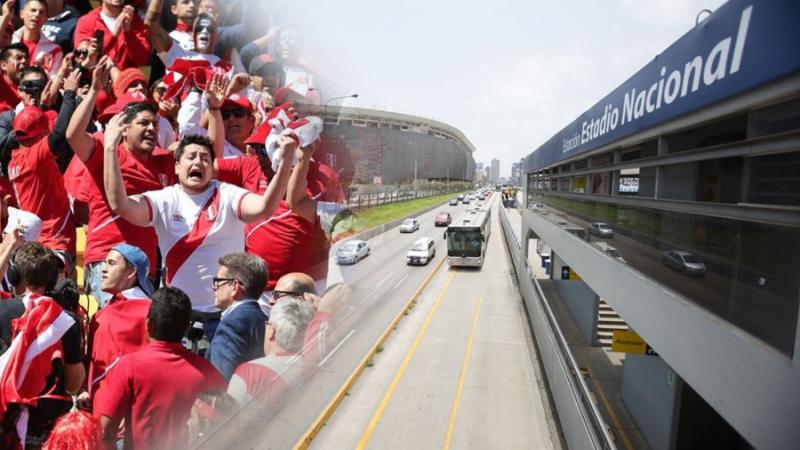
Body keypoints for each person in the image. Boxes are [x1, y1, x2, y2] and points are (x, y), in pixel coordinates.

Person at [101, 81, 294, 331]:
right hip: (178, 317)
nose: (198, 163)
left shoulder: (229, 194)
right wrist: (109, 148)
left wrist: (287, 161)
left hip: (226, 316)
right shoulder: (165, 199)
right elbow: (121, 205)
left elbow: (265, 208)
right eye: (191, 157)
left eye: (205, 158)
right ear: (177, 167)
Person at [66, 59, 175, 307]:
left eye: (155, 124)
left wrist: (212, 111)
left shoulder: (163, 161)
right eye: (143, 123)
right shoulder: (106, 149)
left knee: (138, 336)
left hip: (145, 266)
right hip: (108, 258)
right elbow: (73, 135)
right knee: (112, 330)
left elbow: (208, 159)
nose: (151, 129)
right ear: (124, 129)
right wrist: (94, 90)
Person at [95, 287, 226, 450]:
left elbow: (105, 432)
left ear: (147, 324)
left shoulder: (129, 366)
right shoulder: (208, 372)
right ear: (187, 328)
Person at [0, 241, 84, 449]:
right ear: (53, 279)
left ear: (14, 275)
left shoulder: (1, 310)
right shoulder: (67, 321)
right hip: (44, 432)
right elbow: (73, 385)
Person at [83, 244, 152, 415]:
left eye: (112, 263)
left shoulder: (151, 313)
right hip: (98, 413)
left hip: (132, 419)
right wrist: (85, 389)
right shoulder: (102, 313)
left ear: (131, 272)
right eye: (105, 263)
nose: (103, 270)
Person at [7, 105, 75, 255]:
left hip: (32, 243)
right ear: (43, 132)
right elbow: (59, 133)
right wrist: (69, 93)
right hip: (53, 240)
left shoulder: (14, 161)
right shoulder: (35, 157)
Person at [226, 297, 314, 407]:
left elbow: (232, 418)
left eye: (267, 324)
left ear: (272, 331)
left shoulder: (250, 372)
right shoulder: (317, 364)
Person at [205, 252, 267, 380]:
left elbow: (220, 379)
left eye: (217, 281)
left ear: (234, 286)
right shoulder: (262, 318)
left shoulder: (232, 324)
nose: (213, 287)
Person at [73, 0, 150, 70]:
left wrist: (128, 31)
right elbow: (82, 59)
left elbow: (141, 60)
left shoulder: (135, 21)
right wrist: (114, 34)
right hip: (94, 81)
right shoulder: (87, 21)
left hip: (124, 82)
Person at [12, 0, 63, 77]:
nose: (37, 14)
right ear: (21, 14)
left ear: (46, 19)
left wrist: (41, 73)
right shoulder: (9, 40)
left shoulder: (54, 50)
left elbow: (53, 80)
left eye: (41, 12)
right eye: (33, 10)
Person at [0, 43, 28, 108]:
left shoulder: (31, 89)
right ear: (3, 65)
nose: (24, 61)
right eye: (18, 58)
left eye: (26, 58)